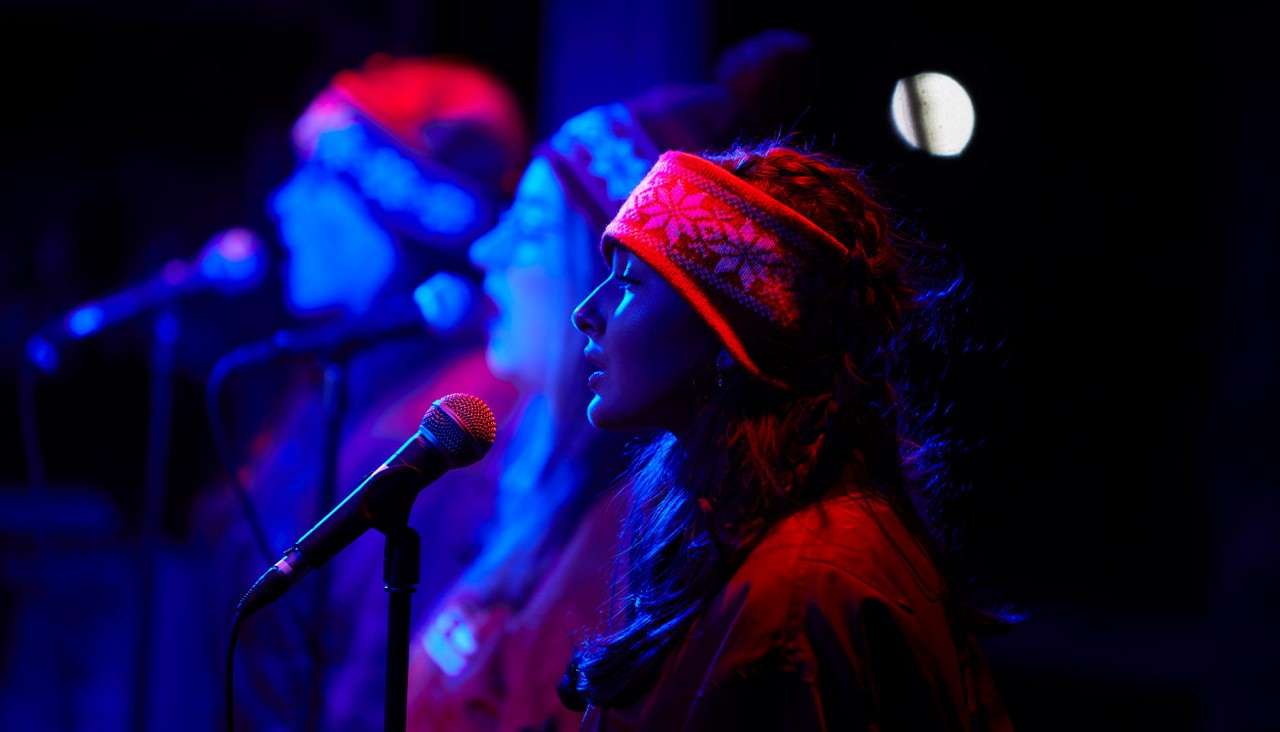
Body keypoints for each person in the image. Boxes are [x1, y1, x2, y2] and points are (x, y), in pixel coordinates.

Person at [406, 31, 816, 732]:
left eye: (532, 228)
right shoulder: (534, 477)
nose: (485, 249)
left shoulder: (625, 542)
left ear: (612, 278)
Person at [566, 144, 1013, 730]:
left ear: (734, 332)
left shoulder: (806, 586)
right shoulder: (722, 529)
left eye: (631, 282)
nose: (585, 312)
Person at [201, 54, 528, 731]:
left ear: (402, 218)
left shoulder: (453, 422)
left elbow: (380, 691)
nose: (282, 204)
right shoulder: (341, 377)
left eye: (319, 181)